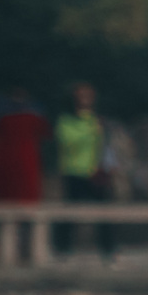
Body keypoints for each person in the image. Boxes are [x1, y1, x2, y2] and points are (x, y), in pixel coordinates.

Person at [54, 82, 111, 252]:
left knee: (105, 214)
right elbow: (67, 142)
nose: (85, 99)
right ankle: (63, 249)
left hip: (95, 171)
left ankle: (108, 250)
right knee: (70, 214)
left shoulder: (97, 120)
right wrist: (91, 131)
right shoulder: (65, 121)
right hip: (74, 171)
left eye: (88, 95)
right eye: (81, 95)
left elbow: (104, 145)